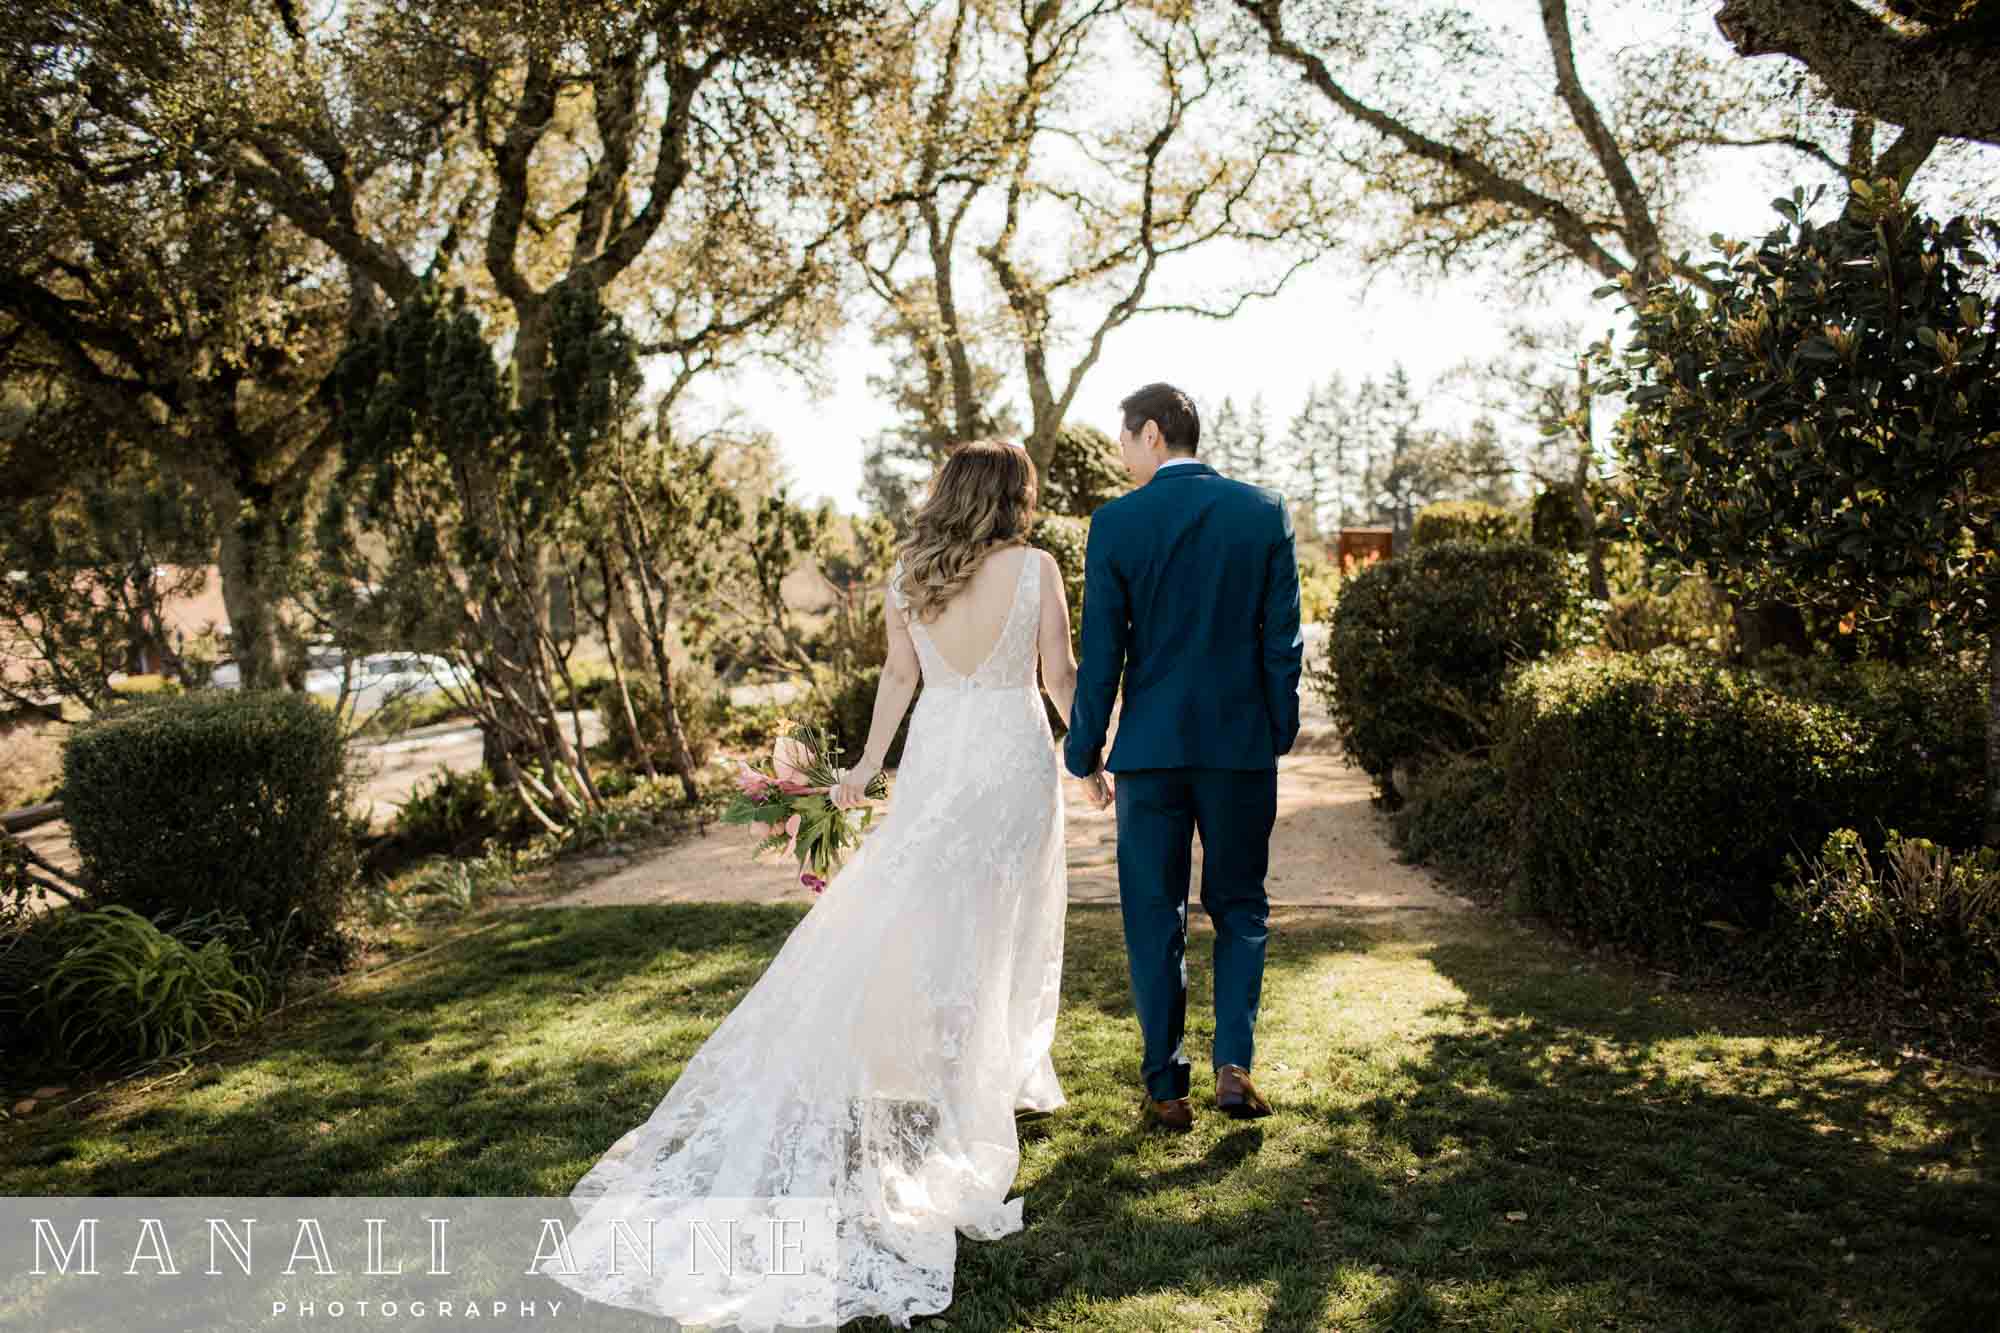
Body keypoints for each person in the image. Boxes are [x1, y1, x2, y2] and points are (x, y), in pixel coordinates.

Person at [539, 438, 1100, 1330]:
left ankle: (962, 1071)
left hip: (940, 759)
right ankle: (985, 1078)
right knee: (1004, 918)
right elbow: (1059, 678)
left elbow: (900, 677)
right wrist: (1090, 758)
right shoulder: (1035, 569)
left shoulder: (911, 572)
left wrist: (869, 767)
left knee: (923, 921)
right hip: (1011, 764)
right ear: (1012, 498)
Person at [1063, 381, 1304, 1133]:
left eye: (1126, 440)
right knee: (1240, 906)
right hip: (1238, 748)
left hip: (1152, 755)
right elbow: (1283, 638)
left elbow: (1102, 653)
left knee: (1152, 916)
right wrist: (1277, 728)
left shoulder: (1116, 523)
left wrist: (1084, 750)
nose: (1123, 455)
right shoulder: (1263, 512)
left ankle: (1167, 1086)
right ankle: (1235, 1065)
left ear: (1155, 435)